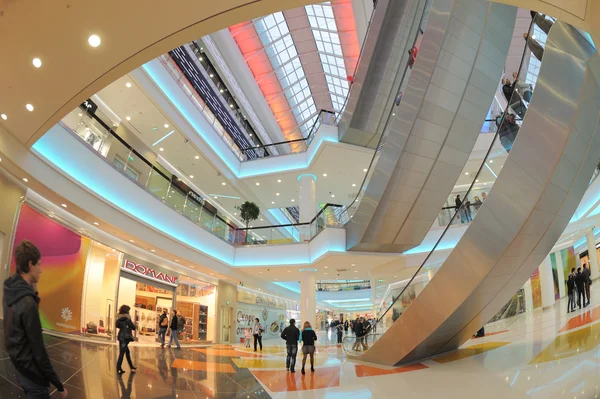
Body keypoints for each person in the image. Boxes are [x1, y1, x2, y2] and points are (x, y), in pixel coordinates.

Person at [3, 241, 68, 398]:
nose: (41, 270)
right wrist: (58, 385)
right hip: (32, 374)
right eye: (39, 264)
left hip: (18, 364)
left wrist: (34, 292)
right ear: (30, 265)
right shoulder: (27, 303)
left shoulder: (10, 288)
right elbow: (39, 352)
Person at [116, 305, 137, 374]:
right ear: (126, 311)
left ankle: (131, 366)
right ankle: (118, 368)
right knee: (121, 354)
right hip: (125, 337)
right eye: (128, 310)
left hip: (121, 336)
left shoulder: (119, 318)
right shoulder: (127, 319)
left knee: (127, 352)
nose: (129, 311)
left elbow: (117, 325)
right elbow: (133, 327)